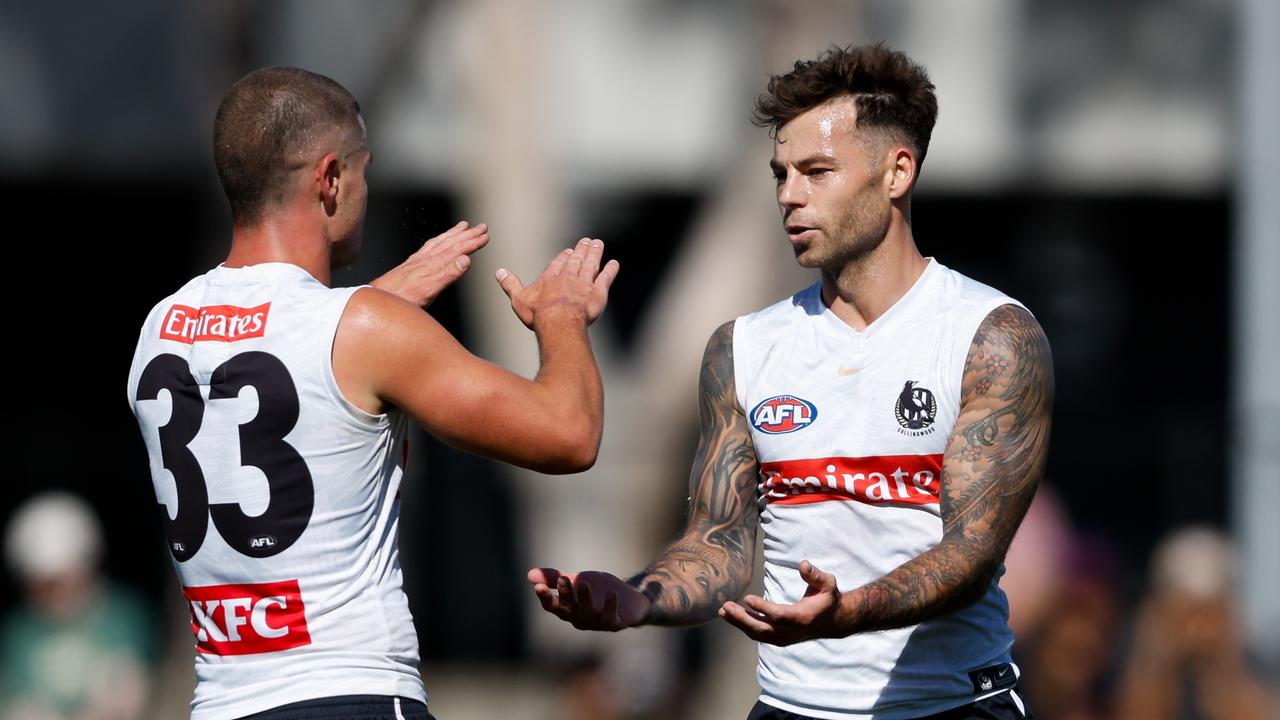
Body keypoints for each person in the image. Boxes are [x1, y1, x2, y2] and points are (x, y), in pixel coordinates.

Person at [528, 43, 1054, 720]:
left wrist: (848, 612)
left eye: (817, 171)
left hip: (950, 704)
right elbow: (717, 544)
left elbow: (971, 555)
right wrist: (639, 599)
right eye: (781, 173)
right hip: (790, 707)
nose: (788, 195)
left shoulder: (991, 336)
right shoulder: (744, 348)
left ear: (897, 172)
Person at [126, 67, 619, 720]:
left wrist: (371, 306)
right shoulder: (362, 331)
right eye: (363, 171)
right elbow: (569, 433)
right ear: (329, 179)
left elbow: (278, 363)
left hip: (221, 705)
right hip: (349, 696)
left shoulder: (160, 329)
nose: (367, 190)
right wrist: (561, 315)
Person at [1, 492, 154, 720]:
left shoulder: (122, 615)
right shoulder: (18, 632)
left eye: (59, 580)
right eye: (40, 584)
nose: (52, 594)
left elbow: (128, 695)